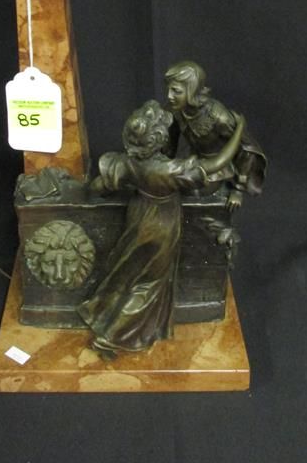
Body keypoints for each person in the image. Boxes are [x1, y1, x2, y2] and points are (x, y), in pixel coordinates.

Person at [78, 99, 244, 357]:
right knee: (149, 284)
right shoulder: (168, 170)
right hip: (161, 226)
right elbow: (216, 164)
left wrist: (89, 192)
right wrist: (239, 131)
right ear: (158, 140)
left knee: (128, 270)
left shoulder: (129, 162)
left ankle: (101, 313)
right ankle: (112, 336)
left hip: (139, 216)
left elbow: (98, 186)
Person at [164, 61, 266, 209]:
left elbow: (246, 149)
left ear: (192, 91)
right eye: (168, 89)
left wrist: (238, 189)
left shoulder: (219, 117)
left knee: (191, 191)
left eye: (176, 91)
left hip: (217, 170)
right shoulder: (176, 110)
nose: (169, 96)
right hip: (191, 163)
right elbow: (169, 146)